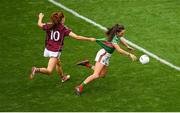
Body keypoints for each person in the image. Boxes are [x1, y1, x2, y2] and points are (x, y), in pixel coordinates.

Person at [29, 12, 96, 82]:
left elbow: (39, 24)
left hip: (48, 48)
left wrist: (40, 18)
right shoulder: (63, 29)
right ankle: (36, 69)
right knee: (49, 71)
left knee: (58, 63)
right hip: (55, 51)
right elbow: (77, 37)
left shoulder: (49, 25)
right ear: (62, 19)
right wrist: (90, 39)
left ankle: (63, 77)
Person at [75, 24, 137, 95]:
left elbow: (121, 40)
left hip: (107, 56)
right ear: (117, 33)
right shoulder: (114, 40)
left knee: (102, 75)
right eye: (122, 33)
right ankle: (79, 87)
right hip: (103, 55)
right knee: (96, 75)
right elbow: (119, 50)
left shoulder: (117, 36)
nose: (123, 34)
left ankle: (87, 64)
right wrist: (129, 54)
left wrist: (127, 46)